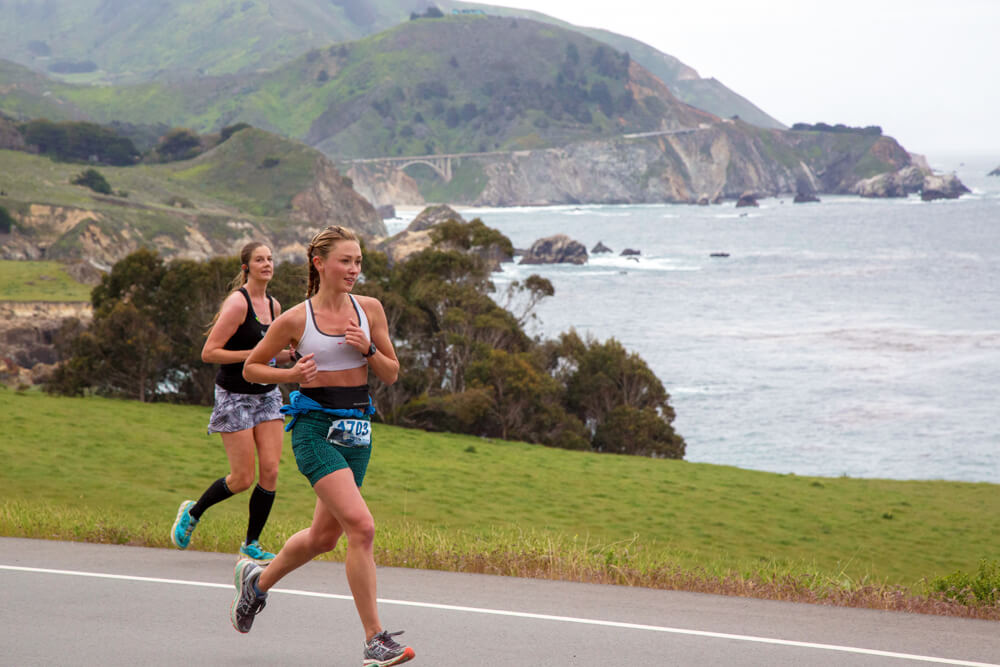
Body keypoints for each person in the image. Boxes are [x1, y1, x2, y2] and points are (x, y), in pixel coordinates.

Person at [231, 225, 414, 667]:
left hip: (358, 432)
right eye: (345, 261)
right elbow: (252, 368)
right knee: (362, 527)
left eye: (358, 262)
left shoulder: (370, 309)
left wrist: (368, 349)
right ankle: (374, 639)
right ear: (320, 263)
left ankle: (256, 584)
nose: (353, 269)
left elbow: (391, 373)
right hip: (314, 431)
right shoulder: (296, 319)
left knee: (323, 537)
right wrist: (291, 375)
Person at [170, 241, 293, 562]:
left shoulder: (275, 306)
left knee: (270, 470)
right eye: (259, 259)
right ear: (246, 267)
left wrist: (293, 356)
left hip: (267, 395)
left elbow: (271, 354)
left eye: (270, 258)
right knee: (242, 479)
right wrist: (253, 355)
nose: (267, 264)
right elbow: (209, 352)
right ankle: (193, 513)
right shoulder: (238, 304)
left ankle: (251, 543)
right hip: (234, 397)